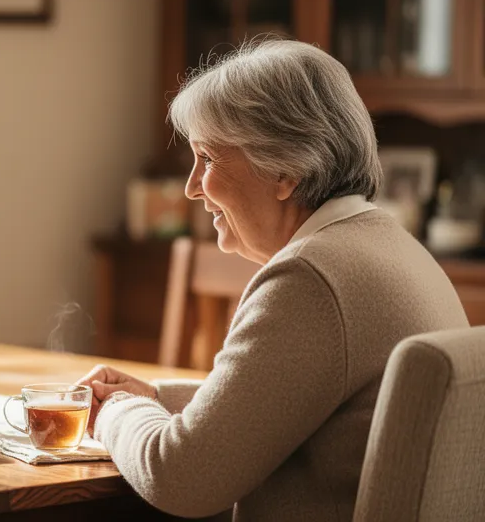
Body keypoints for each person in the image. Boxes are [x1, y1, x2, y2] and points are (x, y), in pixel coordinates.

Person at [77, 39, 469, 521]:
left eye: (208, 158)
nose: (192, 186)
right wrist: (156, 399)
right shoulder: (391, 245)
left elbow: (180, 477)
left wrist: (114, 413)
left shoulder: (311, 277)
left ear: (285, 169)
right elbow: (298, 408)